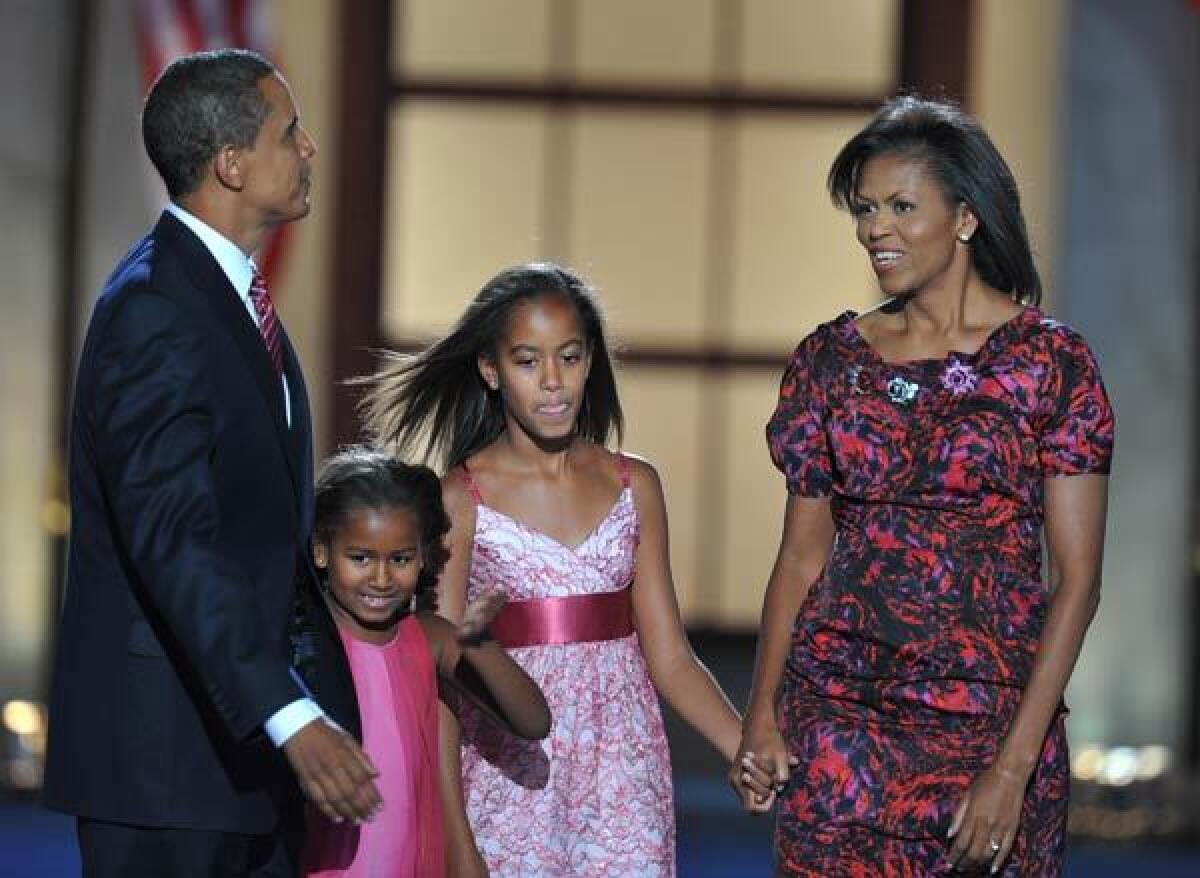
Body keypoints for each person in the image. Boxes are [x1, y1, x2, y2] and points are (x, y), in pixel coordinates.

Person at [732, 95, 1115, 876]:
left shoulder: (1052, 366)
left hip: (992, 722)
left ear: (965, 218)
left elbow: (1076, 581)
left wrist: (1013, 768)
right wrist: (762, 714)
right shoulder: (831, 362)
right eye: (866, 208)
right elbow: (801, 559)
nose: (877, 228)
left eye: (903, 206)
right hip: (840, 717)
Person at [43, 49, 380, 877]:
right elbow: (174, 542)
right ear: (230, 164)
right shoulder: (155, 308)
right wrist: (285, 712)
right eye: (290, 132)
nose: (308, 150)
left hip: (240, 766)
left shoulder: (223, 296)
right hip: (166, 770)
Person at [359, 263, 761, 876]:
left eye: (569, 358)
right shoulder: (462, 501)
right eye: (527, 361)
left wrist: (743, 748)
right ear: (491, 372)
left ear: (591, 360)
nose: (553, 382)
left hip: (624, 778)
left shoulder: (636, 487)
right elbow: (437, 677)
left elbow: (672, 659)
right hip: (509, 775)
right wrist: (453, 833)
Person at [302, 448, 551, 878]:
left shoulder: (429, 637)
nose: (381, 578)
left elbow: (532, 721)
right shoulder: (303, 642)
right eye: (360, 558)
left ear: (422, 557)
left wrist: (478, 643)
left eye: (399, 559)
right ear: (322, 552)